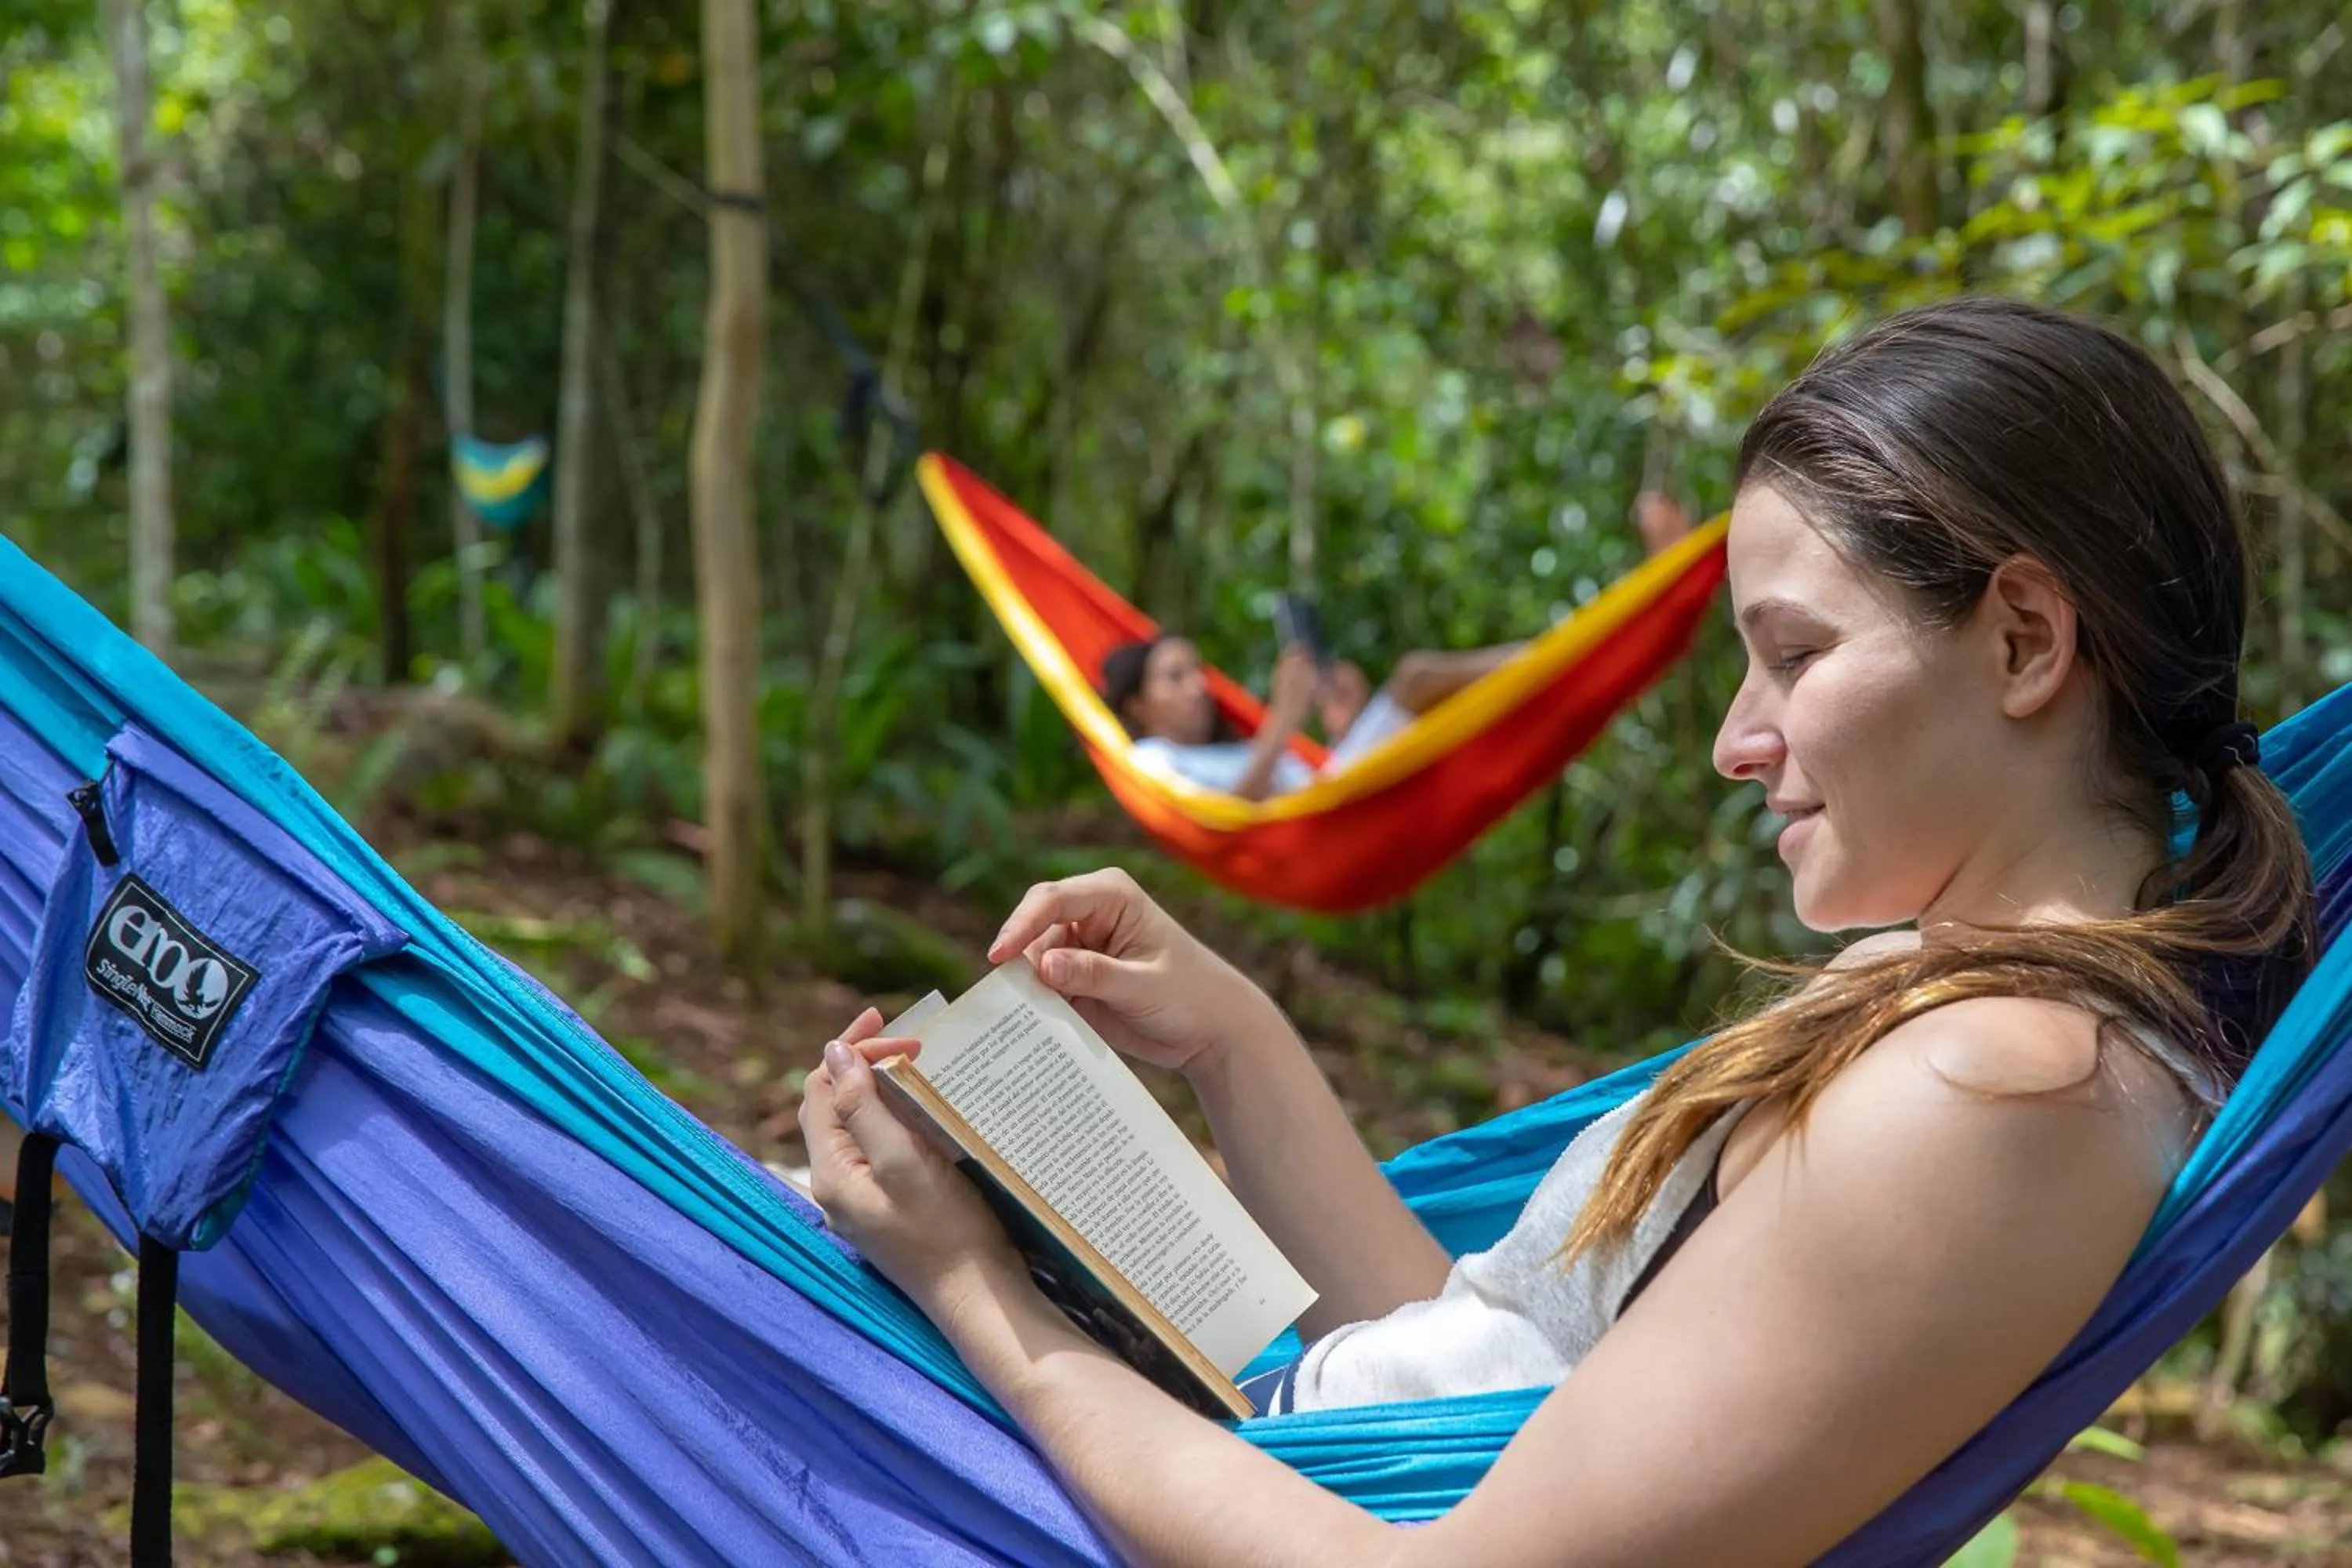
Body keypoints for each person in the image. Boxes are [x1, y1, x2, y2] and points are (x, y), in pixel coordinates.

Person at [795, 297, 2316, 1566]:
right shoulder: (1939, 1001)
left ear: (2025, 639)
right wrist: (1231, 1034)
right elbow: (1485, 1352)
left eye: (1794, 653)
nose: (1737, 739)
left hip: (1142, 1502)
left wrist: (971, 1290)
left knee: (562, 1152)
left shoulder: (1996, 1098)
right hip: (1252, 1446)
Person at [1101, 495, 1698, 800]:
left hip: (1339, 791)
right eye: (1174, 678)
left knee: (1447, 696)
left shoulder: (1223, 747)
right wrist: (1283, 720)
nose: (1198, 685)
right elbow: (1230, 824)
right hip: (1329, 812)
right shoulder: (1153, 763)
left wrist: (1341, 727)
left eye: (1195, 671)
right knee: (1416, 677)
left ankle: (1607, 634)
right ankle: (1593, 637)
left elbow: (1293, 794)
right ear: (1137, 706)